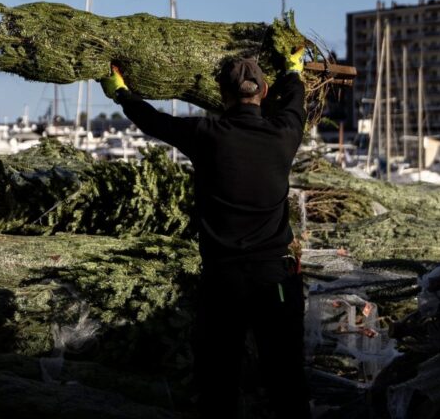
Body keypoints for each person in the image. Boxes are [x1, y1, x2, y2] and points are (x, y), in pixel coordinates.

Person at [101, 48, 312, 419]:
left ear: (222, 95)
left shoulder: (206, 134)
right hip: (274, 279)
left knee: (218, 382)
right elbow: (295, 100)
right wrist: (293, 71)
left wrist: (121, 92)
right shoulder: (285, 133)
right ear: (262, 92)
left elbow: (153, 121)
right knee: (286, 380)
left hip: (223, 279)